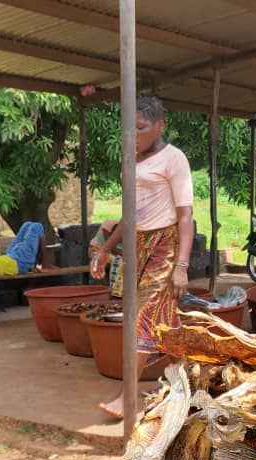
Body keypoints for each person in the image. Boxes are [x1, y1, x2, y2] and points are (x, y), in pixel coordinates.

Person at [89, 96, 194, 421]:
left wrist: (181, 266)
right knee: (164, 319)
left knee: (144, 315)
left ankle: (126, 397)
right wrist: (106, 249)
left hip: (166, 244)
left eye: (140, 127)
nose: (133, 135)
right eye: (128, 129)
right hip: (137, 244)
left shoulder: (174, 159)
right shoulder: (132, 161)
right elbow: (129, 215)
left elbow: (186, 217)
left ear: (159, 126)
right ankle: (186, 386)